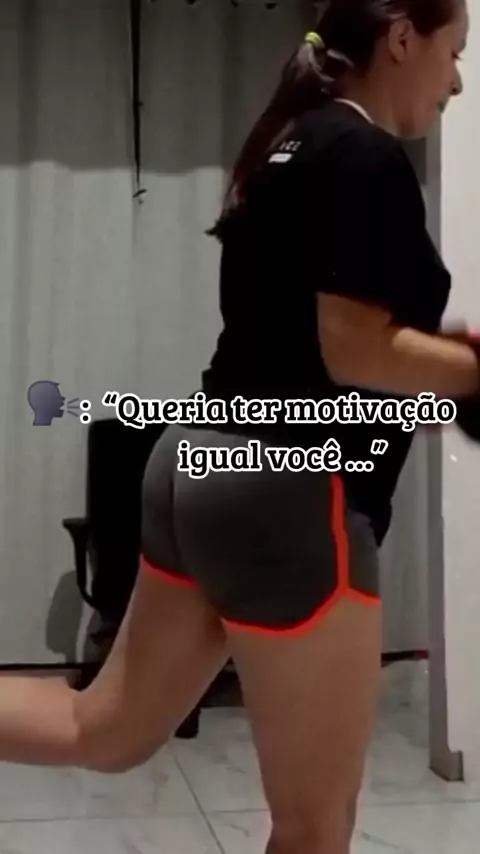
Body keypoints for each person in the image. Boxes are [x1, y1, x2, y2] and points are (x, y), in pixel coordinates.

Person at [0, 1, 476, 852]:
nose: (458, 81)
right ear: (403, 37)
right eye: (454, 52)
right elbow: (353, 349)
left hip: (199, 459)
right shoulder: (363, 154)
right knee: (315, 829)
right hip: (290, 492)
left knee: (101, 729)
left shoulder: (289, 143)